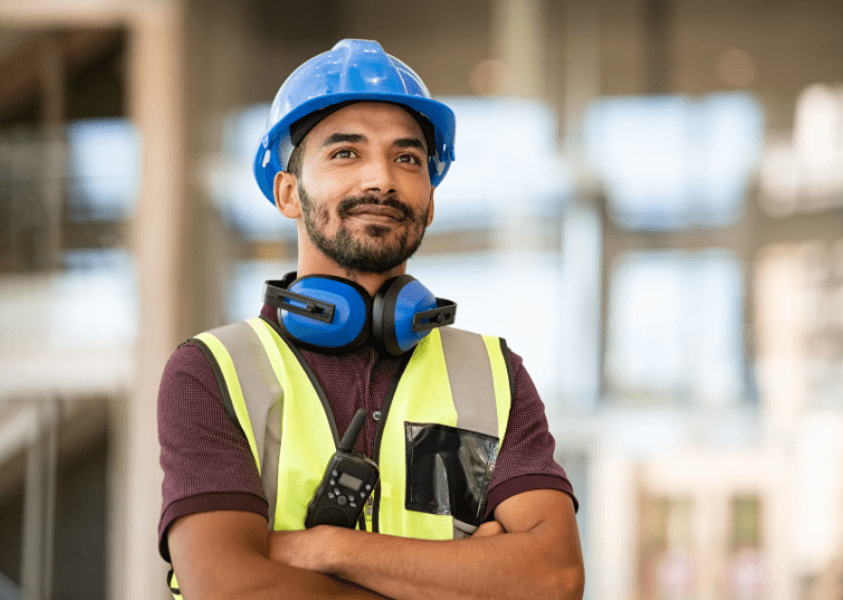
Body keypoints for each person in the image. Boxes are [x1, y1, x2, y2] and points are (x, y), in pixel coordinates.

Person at [157, 39, 584, 600]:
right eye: (345, 153)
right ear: (289, 193)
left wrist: (326, 549)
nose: (380, 179)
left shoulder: (494, 375)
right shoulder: (212, 371)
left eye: (407, 158)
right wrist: (469, 573)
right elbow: (231, 587)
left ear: (429, 199)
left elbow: (552, 579)